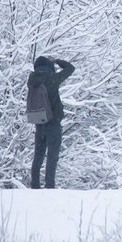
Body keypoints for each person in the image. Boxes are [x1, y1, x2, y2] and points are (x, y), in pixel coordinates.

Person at [28, 55, 75, 189]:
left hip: (39, 122)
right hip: (53, 122)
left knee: (38, 155)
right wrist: (57, 61)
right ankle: (49, 186)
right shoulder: (53, 79)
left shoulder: (31, 80)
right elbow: (70, 68)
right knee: (52, 155)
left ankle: (35, 185)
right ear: (49, 67)